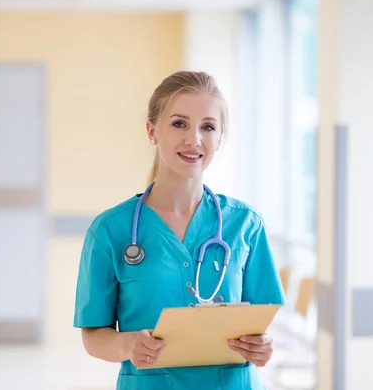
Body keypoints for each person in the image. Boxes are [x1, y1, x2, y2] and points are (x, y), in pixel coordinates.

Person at [73, 71, 286, 389]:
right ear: (152, 131)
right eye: (179, 123)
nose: (194, 139)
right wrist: (129, 344)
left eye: (208, 127)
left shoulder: (246, 224)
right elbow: (93, 335)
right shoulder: (110, 230)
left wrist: (262, 346)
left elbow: (261, 324)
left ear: (220, 137)